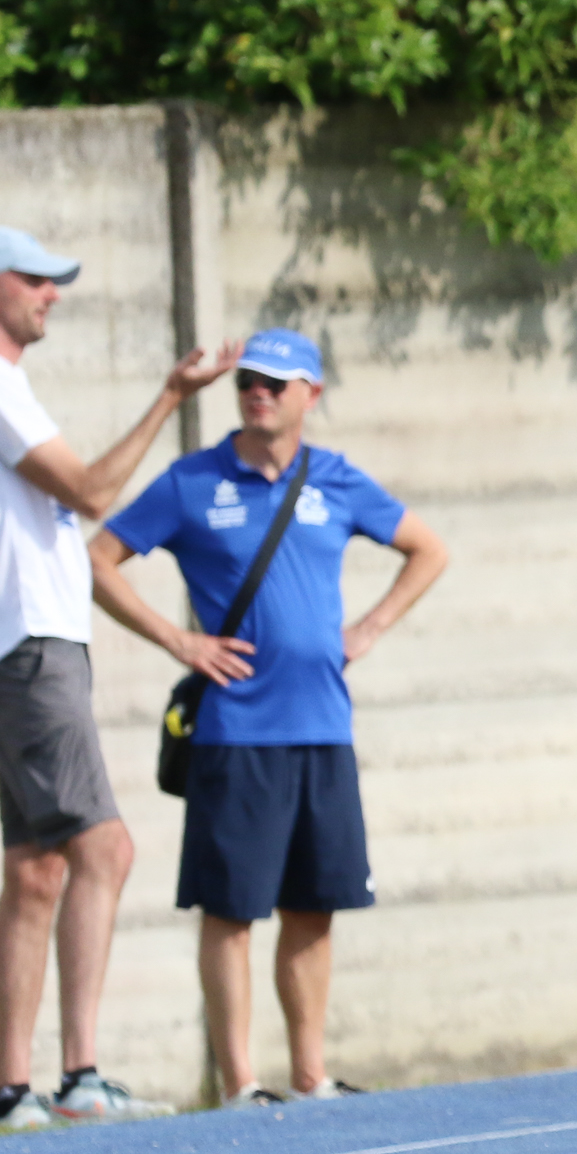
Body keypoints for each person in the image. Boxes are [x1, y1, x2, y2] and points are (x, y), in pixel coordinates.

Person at [89, 328, 450, 1106]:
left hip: (323, 730)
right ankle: (241, 1085)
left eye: (275, 384)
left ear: (310, 395)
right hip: (236, 734)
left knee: (314, 907)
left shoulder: (337, 480)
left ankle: (311, 1076)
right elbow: (96, 559)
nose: (258, 392)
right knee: (231, 909)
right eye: (248, 381)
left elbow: (429, 549)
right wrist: (179, 640)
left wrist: (370, 628)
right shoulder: (193, 482)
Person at [0, 225, 234, 1128]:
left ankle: (11, 1091)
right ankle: (81, 1076)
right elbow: (92, 493)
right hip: (28, 645)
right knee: (107, 849)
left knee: (36, 867)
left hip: (24, 642)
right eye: (35, 279)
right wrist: (169, 397)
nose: (51, 293)